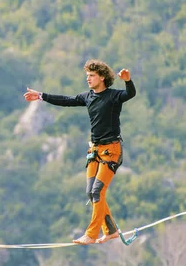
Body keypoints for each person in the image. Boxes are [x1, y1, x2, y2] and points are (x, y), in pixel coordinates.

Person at [23, 59, 136, 245]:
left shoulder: (113, 96)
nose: (88, 79)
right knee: (91, 193)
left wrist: (128, 80)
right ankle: (111, 230)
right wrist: (41, 96)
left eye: (92, 76)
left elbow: (130, 94)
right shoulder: (88, 97)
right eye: (87, 76)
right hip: (95, 151)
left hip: (111, 151)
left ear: (102, 77)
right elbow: (66, 100)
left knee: (98, 191)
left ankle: (91, 234)